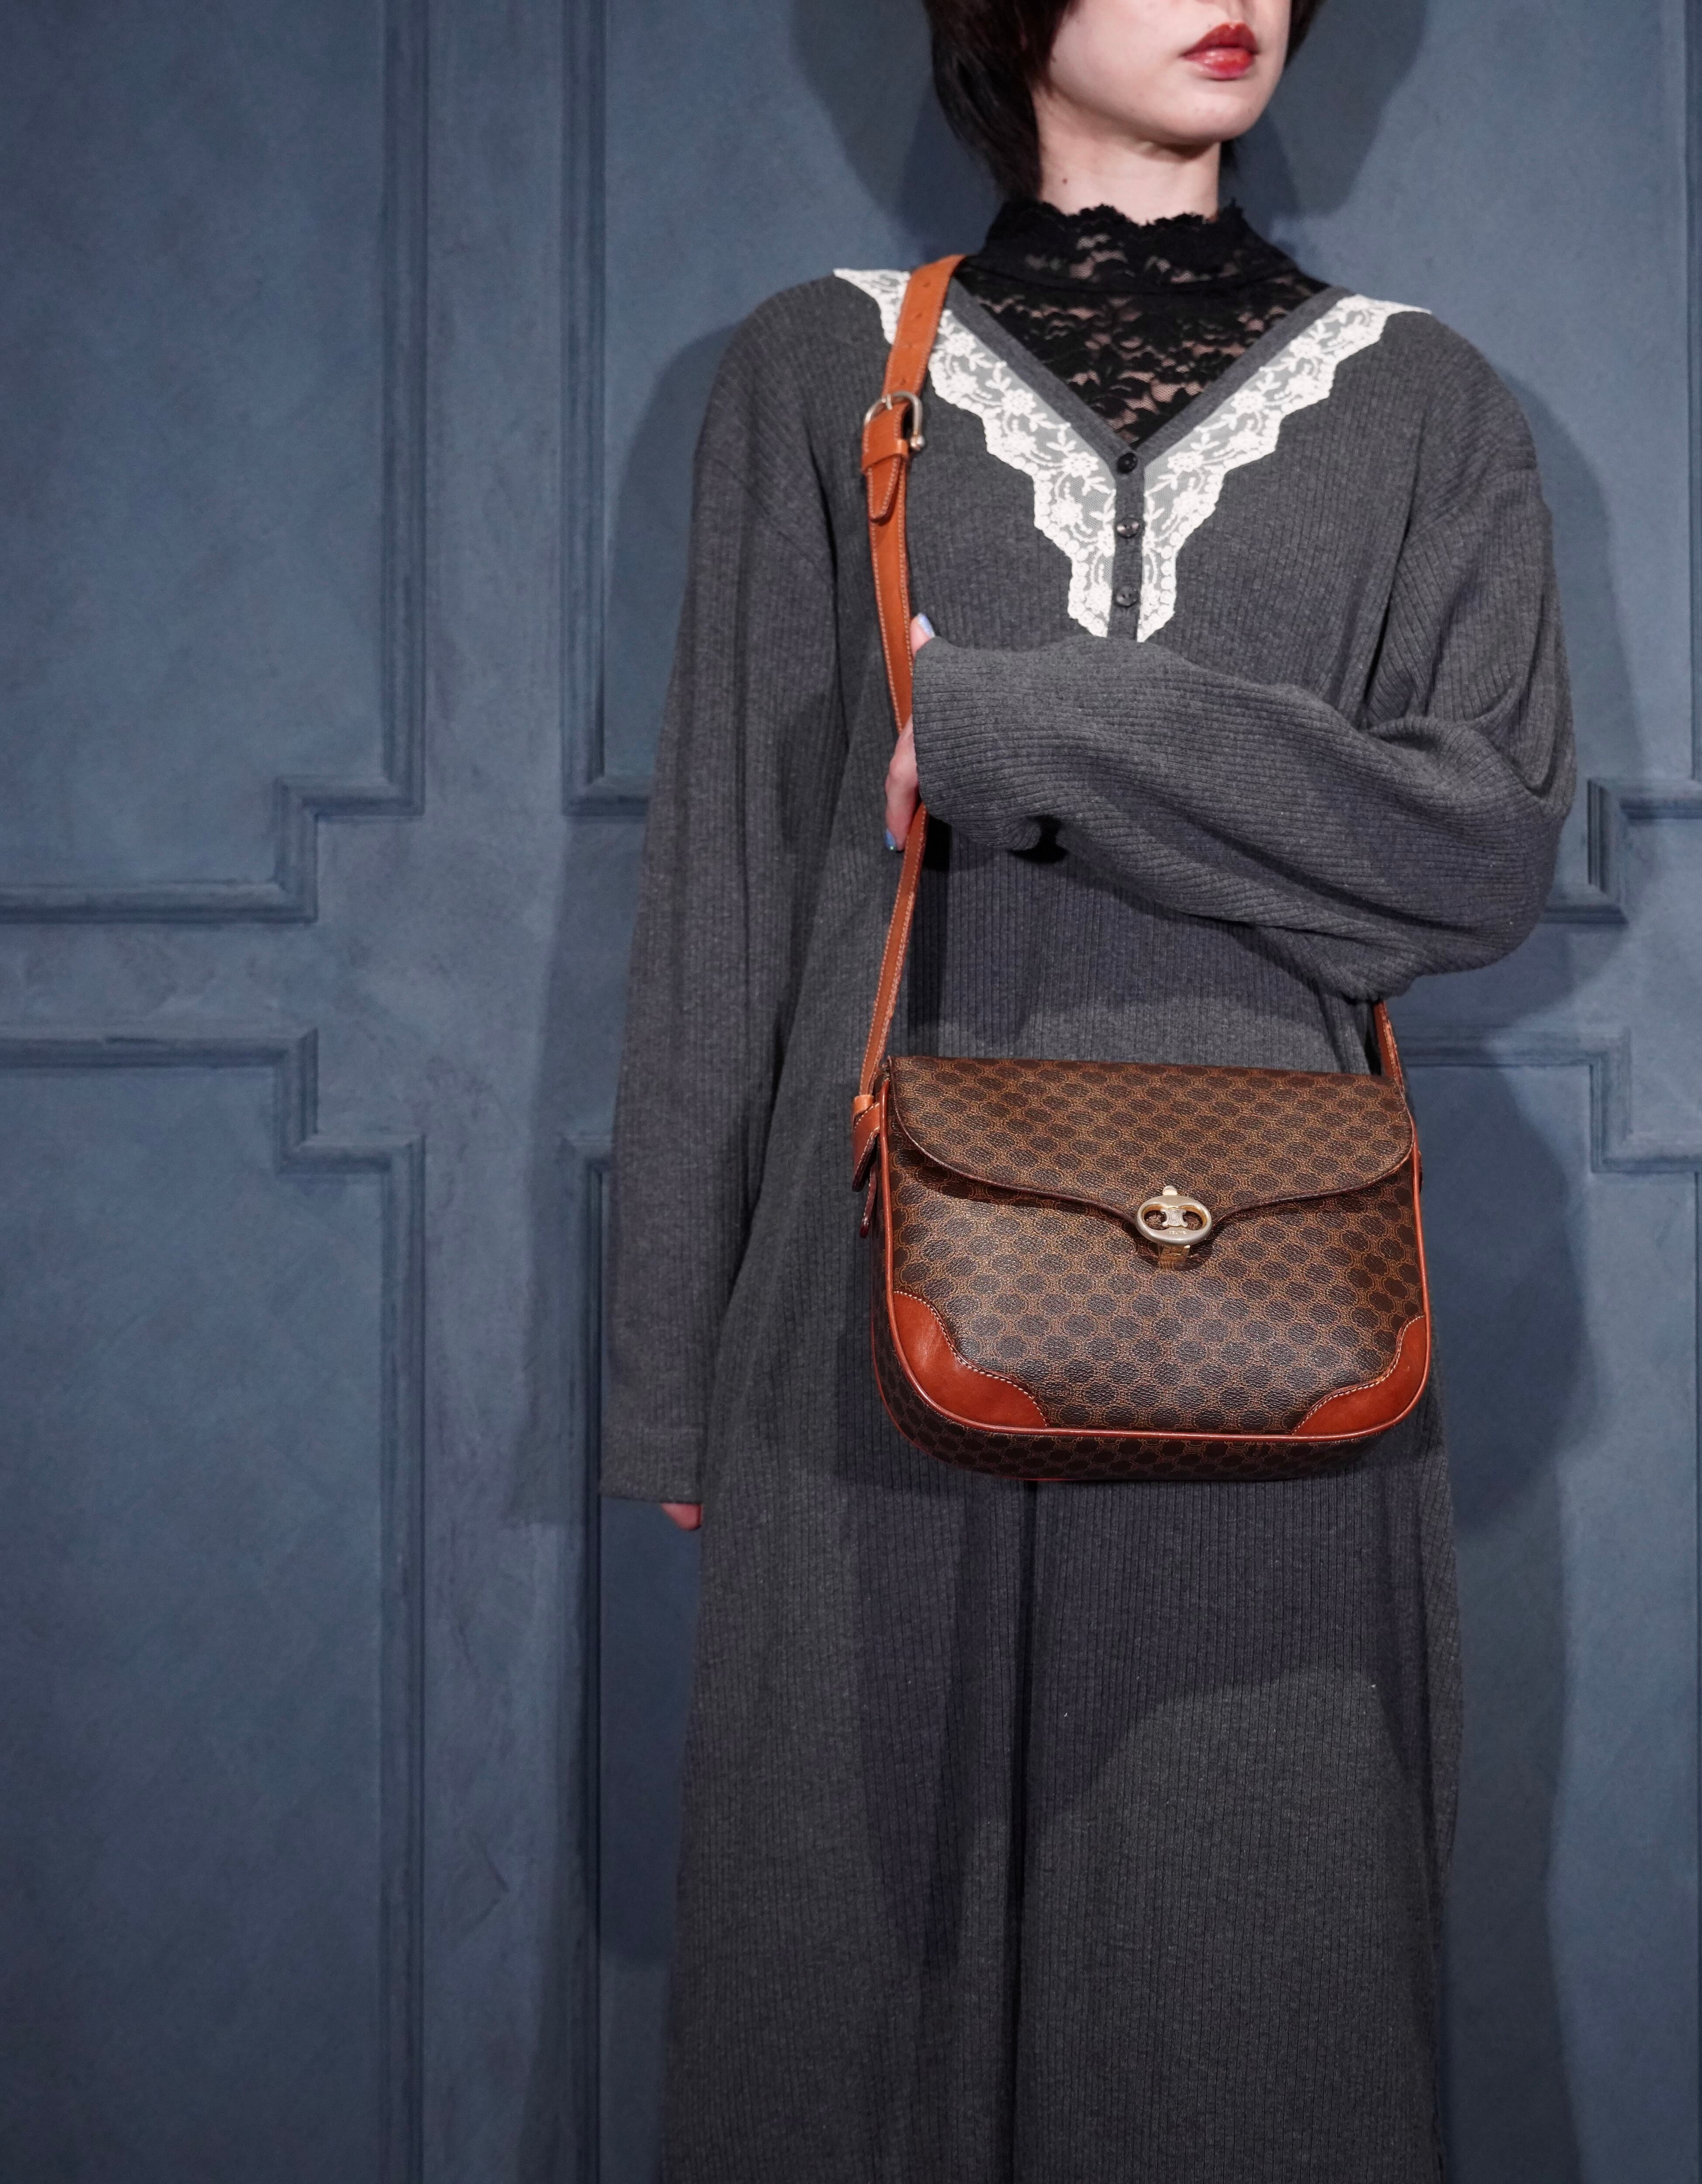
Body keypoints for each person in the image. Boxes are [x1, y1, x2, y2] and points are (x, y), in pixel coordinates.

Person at [602, 0, 1574, 2173]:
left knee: (1254, 2011)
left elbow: (1484, 844)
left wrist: (1018, 731)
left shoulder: (1423, 401)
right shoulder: (818, 368)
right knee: (843, 2006)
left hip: (1280, 1314)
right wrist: (670, 1378)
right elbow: (723, 891)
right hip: (860, 1317)